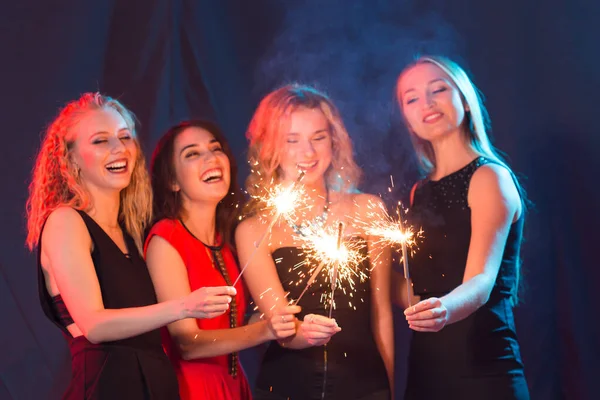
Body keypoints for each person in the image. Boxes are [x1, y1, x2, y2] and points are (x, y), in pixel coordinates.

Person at [26, 93, 235, 399]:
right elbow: (94, 325)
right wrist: (184, 306)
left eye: (125, 137)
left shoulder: (133, 233)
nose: (119, 148)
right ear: (70, 159)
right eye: (100, 141)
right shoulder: (66, 221)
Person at [235, 84, 394, 400]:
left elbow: (381, 313)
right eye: (291, 140)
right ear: (270, 147)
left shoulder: (369, 209)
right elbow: (280, 327)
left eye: (318, 138)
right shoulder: (254, 230)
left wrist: (389, 387)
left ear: (334, 142)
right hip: (287, 388)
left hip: (366, 386)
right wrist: (302, 335)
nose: (307, 153)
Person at [395, 56, 530, 399]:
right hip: (426, 371)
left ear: (466, 101)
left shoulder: (489, 177)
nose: (426, 103)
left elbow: (480, 283)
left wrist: (444, 310)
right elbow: (417, 294)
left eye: (438, 89)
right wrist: (372, 265)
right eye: (411, 98)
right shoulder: (418, 192)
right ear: (408, 119)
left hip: (483, 370)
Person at [145, 120, 299, 399]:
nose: (211, 158)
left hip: (231, 387)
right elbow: (187, 344)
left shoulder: (224, 244)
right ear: (172, 181)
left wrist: (282, 318)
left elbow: (230, 324)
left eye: (215, 149)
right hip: (189, 389)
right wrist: (265, 330)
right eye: (192, 153)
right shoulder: (166, 239)